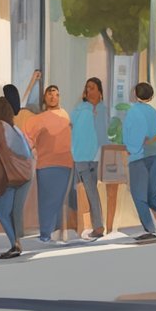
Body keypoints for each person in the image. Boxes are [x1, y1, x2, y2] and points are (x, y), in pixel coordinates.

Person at [25, 85, 74, 243]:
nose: (54, 97)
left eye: (56, 94)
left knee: (58, 199)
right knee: (47, 200)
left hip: (64, 163)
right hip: (45, 164)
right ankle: (46, 233)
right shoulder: (37, 120)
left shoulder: (65, 115)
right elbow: (28, 141)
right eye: (50, 94)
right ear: (44, 97)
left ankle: (55, 232)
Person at [0, 96, 34, 259]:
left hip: (11, 175)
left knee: (1, 211)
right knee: (14, 212)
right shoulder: (16, 129)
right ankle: (16, 243)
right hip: (26, 174)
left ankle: (15, 244)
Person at [123, 82, 156, 242]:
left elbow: (133, 136)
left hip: (139, 157)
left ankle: (151, 228)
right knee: (151, 194)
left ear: (136, 94)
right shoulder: (154, 113)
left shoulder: (132, 112)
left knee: (139, 195)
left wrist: (131, 148)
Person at [68, 77, 108, 240]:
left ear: (99, 91)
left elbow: (103, 133)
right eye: (87, 88)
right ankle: (93, 225)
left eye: (92, 87)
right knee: (85, 191)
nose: (89, 90)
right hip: (79, 155)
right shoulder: (80, 109)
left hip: (94, 155)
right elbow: (72, 128)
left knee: (91, 190)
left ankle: (97, 226)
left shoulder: (102, 110)